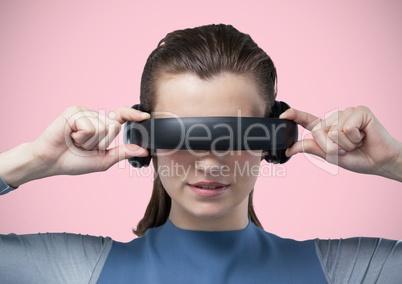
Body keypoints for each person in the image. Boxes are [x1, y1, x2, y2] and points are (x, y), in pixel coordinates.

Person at [0, 24, 401, 283]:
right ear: (144, 141)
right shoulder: (76, 273)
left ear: (274, 140)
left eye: (236, 134)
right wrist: (35, 159)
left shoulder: (346, 273)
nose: (210, 162)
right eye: (181, 134)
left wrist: (391, 160)